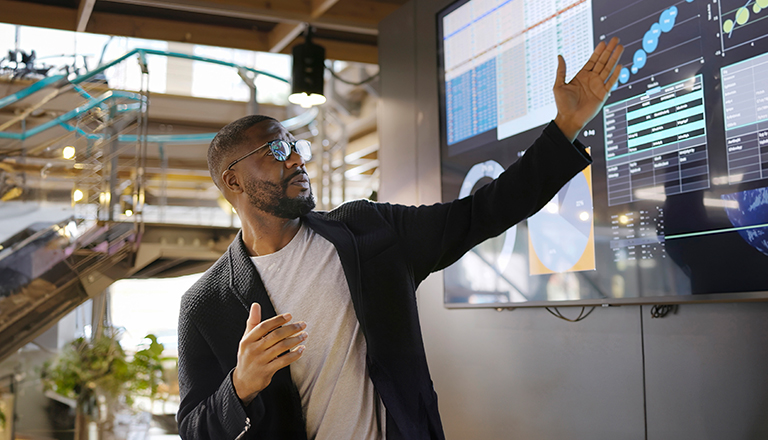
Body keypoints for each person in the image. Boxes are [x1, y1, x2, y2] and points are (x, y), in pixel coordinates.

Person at [176, 38, 624, 440]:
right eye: (276, 149)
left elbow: (483, 212)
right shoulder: (205, 303)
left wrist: (565, 126)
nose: (296, 158)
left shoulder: (371, 232)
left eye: (297, 145)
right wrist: (240, 386)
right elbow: (194, 428)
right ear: (233, 182)